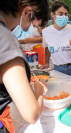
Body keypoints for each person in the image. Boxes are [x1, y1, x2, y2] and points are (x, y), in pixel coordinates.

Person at [0, 0, 49, 132]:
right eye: (32, 26)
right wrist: (38, 90)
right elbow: (31, 114)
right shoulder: (5, 39)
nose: (27, 31)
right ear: (27, 11)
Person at [39, 1, 71, 79]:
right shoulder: (46, 31)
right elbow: (46, 48)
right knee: (61, 90)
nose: (63, 16)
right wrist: (46, 62)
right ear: (52, 14)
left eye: (66, 14)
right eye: (60, 14)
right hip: (58, 68)